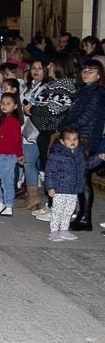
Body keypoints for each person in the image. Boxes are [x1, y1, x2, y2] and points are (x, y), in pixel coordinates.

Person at [60, 60, 105, 231]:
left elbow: (85, 117)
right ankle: (82, 215)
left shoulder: (98, 93)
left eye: (91, 71)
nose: (86, 73)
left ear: (99, 75)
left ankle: (85, 217)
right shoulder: (84, 91)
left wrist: (65, 130)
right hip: (77, 136)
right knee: (81, 177)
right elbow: (71, 114)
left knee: (84, 178)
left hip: (85, 138)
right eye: (84, 70)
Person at [43, 127, 87, 242]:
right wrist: (50, 187)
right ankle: (54, 231)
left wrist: (98, 158)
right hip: (60, 189)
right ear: (62, 141)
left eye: (75, 139)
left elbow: (86, 166)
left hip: (73, 189)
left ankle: (64, 230)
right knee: (57, 210)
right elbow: (49, 172)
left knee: (69, 211)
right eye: (68, 139)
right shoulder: (57, 155)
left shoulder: (79, 154)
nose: (72, 141)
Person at [0, 93, 24, 217]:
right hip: (3, 154)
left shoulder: (12, 121)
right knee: (7, 181)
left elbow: (17, 140)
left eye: (8, 103)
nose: (4, 106)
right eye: (3, 103)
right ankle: (8, 206)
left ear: (15, 106)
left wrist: (19, 155)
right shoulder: (5, 119)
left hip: (8, 156)